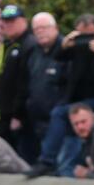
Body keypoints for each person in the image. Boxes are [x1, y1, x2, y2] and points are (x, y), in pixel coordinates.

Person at [27, 13, 94, 177]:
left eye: (90, 35)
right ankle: (53, 164)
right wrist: (65, 45)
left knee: (59, 113)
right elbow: (59, 57)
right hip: (78, 101)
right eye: (83, 36)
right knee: (64, 126)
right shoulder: (78, 46)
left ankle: (47, 161)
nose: (86, 40)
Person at [0, 4, 37, 161]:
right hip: (4, 111)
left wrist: (18, 114)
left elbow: (25, 82)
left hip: (21, 114)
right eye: (5, 22)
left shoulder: (29, 44)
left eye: (12, 21)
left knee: (23, 157)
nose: (8, 25)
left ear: (24, 21)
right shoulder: (7, 44)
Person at [26, 12, 64, 156]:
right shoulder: (34, 52)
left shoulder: (66, 50)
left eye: (44, 27)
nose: (40, 32)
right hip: (37, 121)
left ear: (55, 28)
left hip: (58, 121)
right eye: (36, 29)